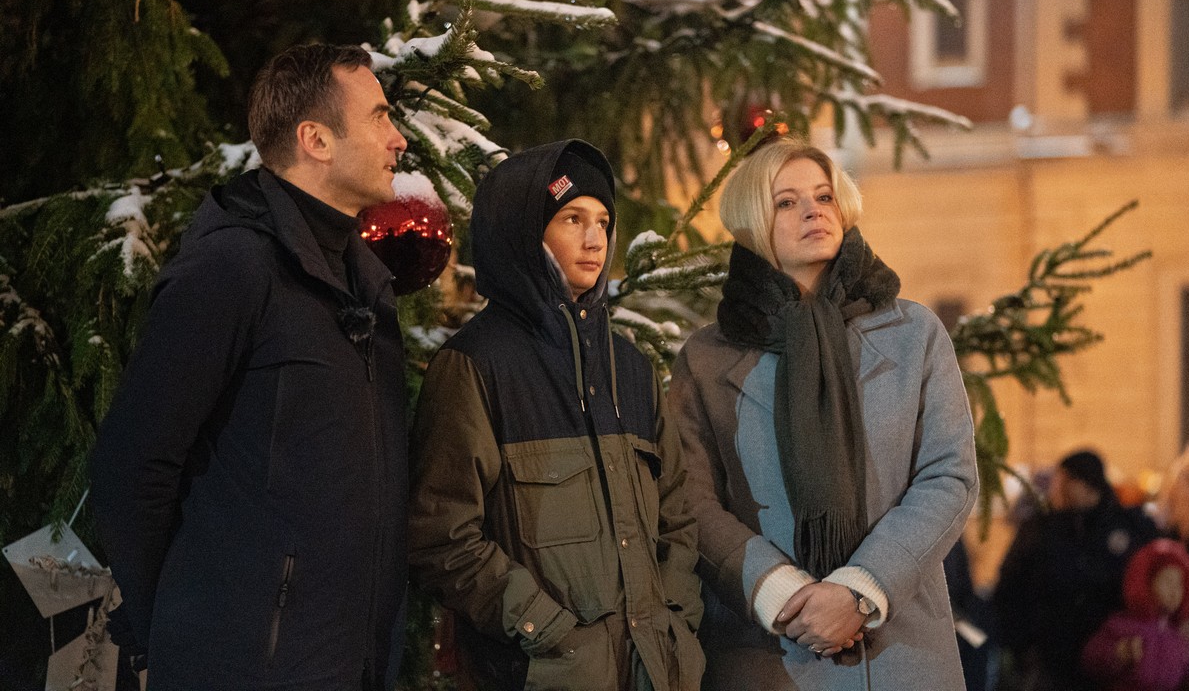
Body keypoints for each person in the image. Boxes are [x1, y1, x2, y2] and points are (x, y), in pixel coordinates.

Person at [90, 43, 411, 691]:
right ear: (316, 139)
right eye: (379, 116)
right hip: (240, 669)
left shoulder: (367, 287)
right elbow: (131, 465)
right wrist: (174, 624)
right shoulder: (232, 268)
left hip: (348, 666)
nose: (398, 139)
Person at [669, 136, 978, 690]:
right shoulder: (707, 358)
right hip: (768, 654)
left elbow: (949, 474)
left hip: (900, 649)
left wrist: (860, 589)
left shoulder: (913, 334)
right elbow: (689, 497)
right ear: (752, 223)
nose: (813, 210)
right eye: (786, 202)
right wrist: (779, 592)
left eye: (824, 196)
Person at [407, 140, 705, 691]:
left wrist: (676, 622)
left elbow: (677, 518)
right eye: (572, 219)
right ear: (525, 233)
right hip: (540, 675)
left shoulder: (630, 369)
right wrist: (546, 632)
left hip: (655, 673)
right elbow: (443, 536)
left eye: (603, 222)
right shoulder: (476, 365)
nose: (595, 239)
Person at [992, 449, 1159, 691]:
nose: (1054, 489)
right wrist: (1021, 646)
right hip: (1048, 661)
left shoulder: (1129, 527)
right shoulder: (1040, 529)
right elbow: (1009, 586)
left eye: (1060, 480)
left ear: (1080, 483)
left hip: (1112, 661)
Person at [1081, 537, 1189, 691]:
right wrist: (1119, 653)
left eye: (1180, 584)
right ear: (1148, 583)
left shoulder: (1179, 637)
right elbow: (1090, 657)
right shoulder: (1124, 623)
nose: (1175, 589)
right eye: (1167, 581)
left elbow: (1188, 667)